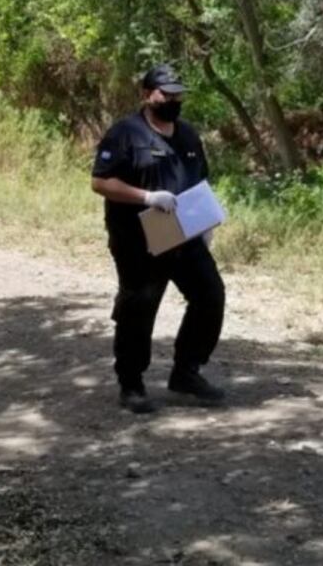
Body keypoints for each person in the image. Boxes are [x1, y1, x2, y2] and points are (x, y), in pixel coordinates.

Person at [90, 64, 226, 414]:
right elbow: (101, 182)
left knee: (210, 295)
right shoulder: (125, 134)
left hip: (184, 235)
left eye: (177, 94)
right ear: (146, 94)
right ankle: (131, 384)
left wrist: (206, 220)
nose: (173, 100)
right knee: (139, 308)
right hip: (138, 240)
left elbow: (199, 181)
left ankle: (186, 372)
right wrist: (147, 197)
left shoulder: (188, 135)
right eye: (166, 93)